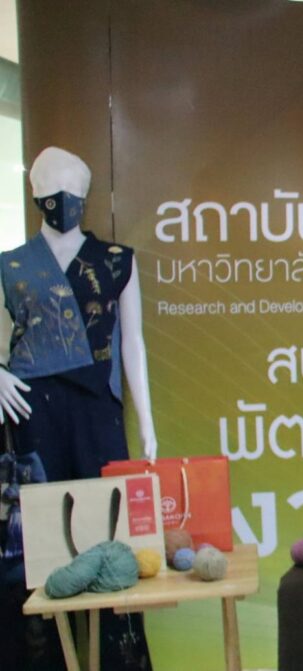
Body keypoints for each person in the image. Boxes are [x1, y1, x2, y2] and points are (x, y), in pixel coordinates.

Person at [0, 146, 155, 670]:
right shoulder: (11, 265)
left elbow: (133, 343)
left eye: (71, 191)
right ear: (36, 193)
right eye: (51, 190)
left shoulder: (115, 260)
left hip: (96, 407)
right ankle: (42, 660)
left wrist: (147, 423)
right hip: (31, 409)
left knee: (110, 534)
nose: (62, 200)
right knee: (40, 545)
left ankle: (121, 658)